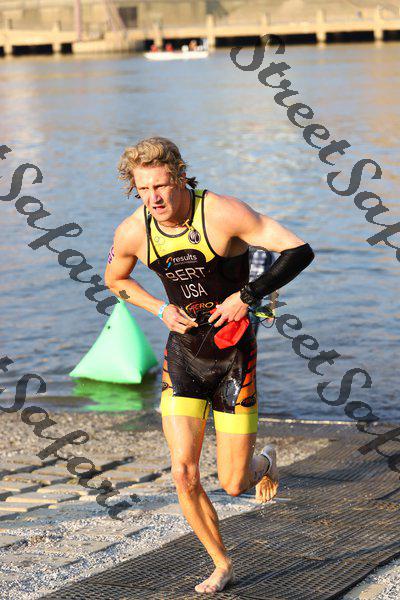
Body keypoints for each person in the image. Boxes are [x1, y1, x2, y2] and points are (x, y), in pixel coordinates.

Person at [105, 137, 314, 594]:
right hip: (183, 356)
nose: (154, 198)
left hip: (234, 357)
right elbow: (115, 278)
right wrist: (159, 308)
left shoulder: (221, 213)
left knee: (234, 483)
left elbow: (299, 251)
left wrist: (248, 296)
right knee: (183, 472)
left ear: (180, 176)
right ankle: (222, 564)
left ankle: (265, 461)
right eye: (143, 189)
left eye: (161, 185)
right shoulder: (134, 231)